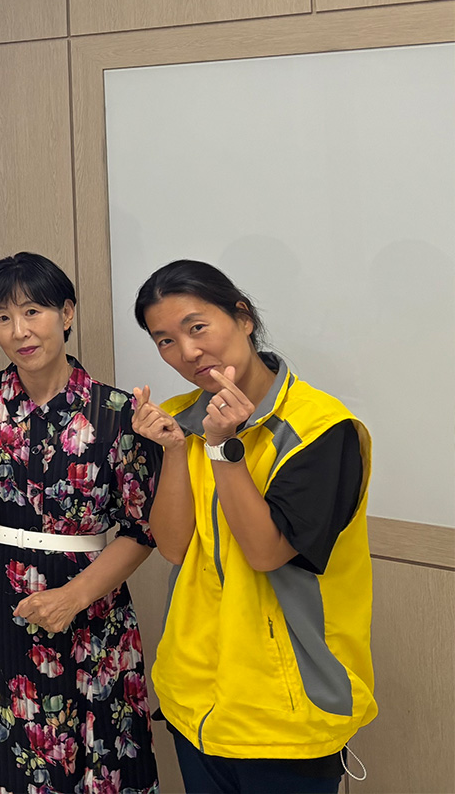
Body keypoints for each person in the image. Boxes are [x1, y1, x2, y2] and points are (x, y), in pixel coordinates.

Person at [129, 260, 374, 794]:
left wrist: (223, 447)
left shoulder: (320, 429)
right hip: (194, 699)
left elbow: (266, 552)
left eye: (197, 327)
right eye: (165, 341)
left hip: (286, 710)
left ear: (243, 317)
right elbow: (174, 546)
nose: (188, 352)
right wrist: (176, 450)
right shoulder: (180, 420)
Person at [0, 252, 159, 794]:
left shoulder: (118, 411)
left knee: (94, 756)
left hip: (90, 605)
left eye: (33, 311)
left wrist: (73, 597)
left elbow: (140, 529)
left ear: (67, 313)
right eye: (2, 317)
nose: (19, 331)